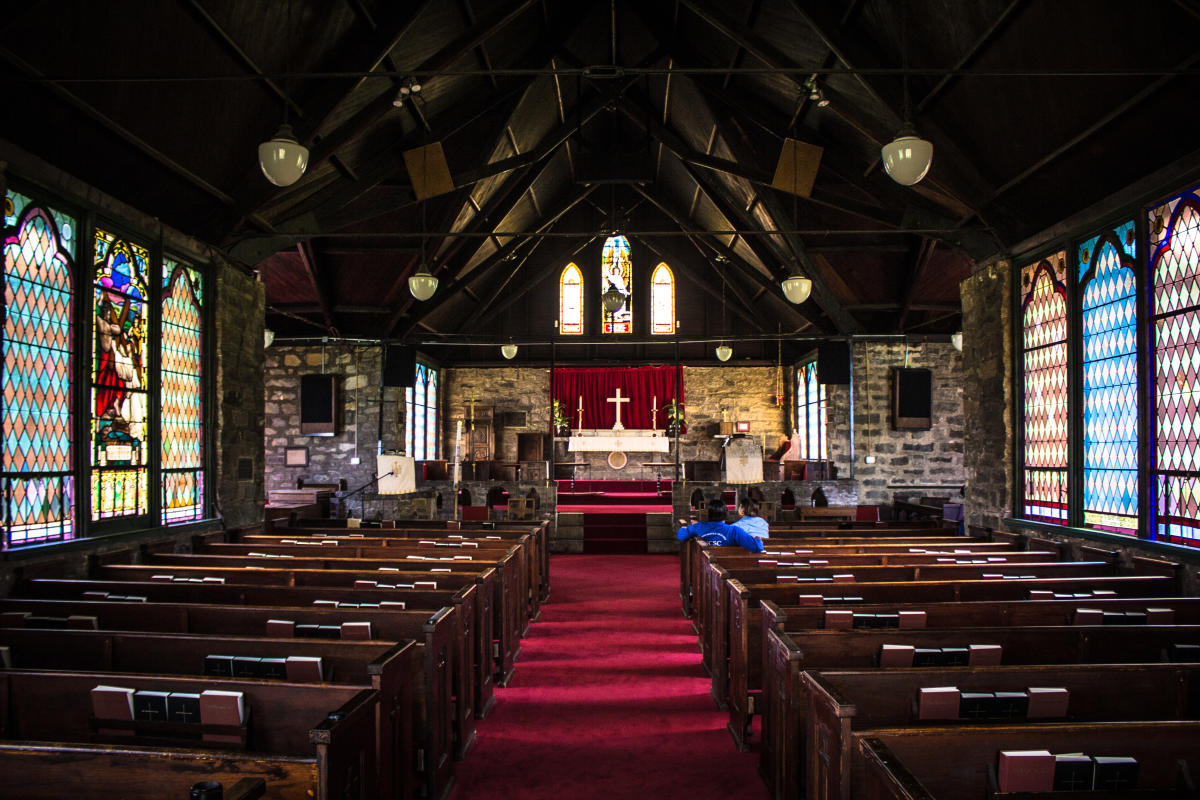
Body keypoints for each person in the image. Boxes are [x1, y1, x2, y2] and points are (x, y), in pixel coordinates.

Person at [677, 497, 764, 553]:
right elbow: (758, 547)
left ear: (709, 514)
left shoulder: (699, 526)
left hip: (703, 568)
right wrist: (757, 538)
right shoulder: (734, 531)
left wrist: (684, 527)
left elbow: (681, 536)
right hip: (728, 568)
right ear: (726, 514)